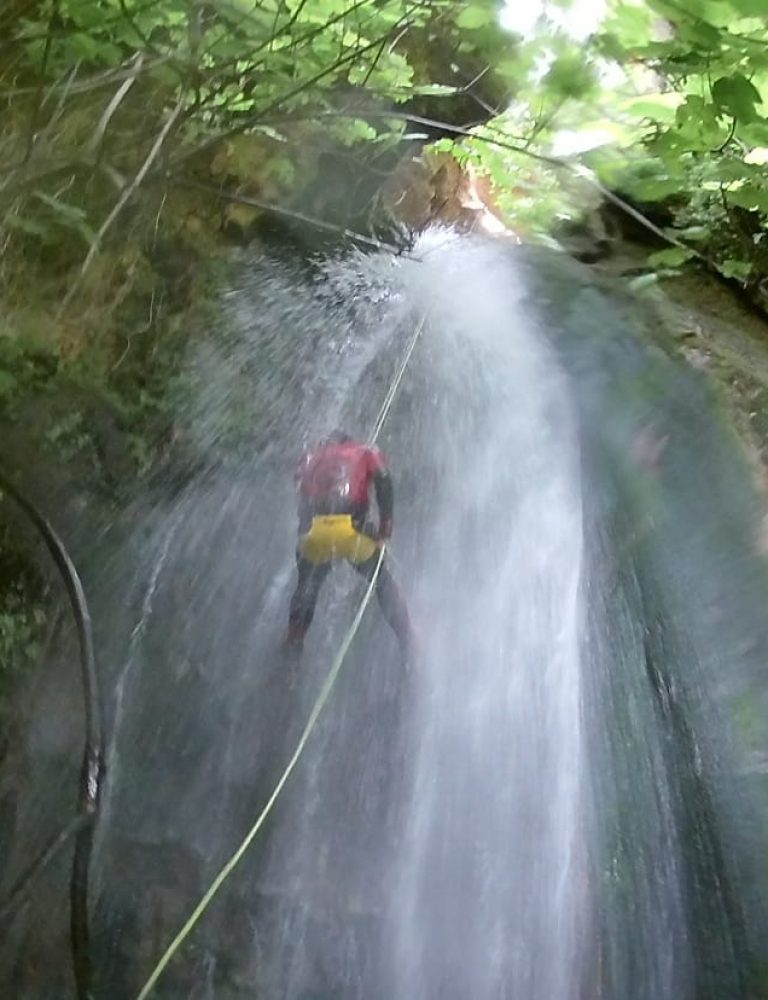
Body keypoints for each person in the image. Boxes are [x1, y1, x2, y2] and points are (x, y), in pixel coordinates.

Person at [285, 430, 414, 662]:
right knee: (381, 581)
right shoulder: (365, 451)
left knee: (307, 586)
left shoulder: (310, 457)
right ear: (349, 441)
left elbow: (300, 493)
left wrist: (305, 530)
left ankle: (294, 640)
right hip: (351, 530)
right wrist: (385, 526)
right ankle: (407, 638)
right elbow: (383, 480)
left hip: (313, 533)